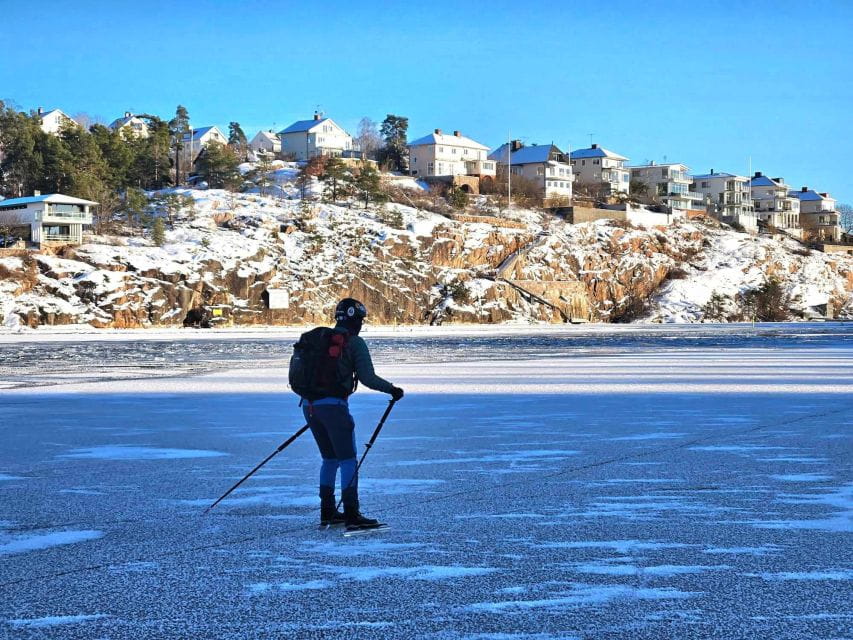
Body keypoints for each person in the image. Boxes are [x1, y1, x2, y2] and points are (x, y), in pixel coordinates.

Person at [302, 298, 404, 529]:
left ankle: (327, 512)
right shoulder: (354, 343)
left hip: (309, 407)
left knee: (329, 459)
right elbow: (367, 377)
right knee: (348, 459)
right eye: (360, 320)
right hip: (334, 408)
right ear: (353, 319)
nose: (361, 325)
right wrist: (392, 389)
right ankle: (351, 514)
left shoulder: (320, 339)